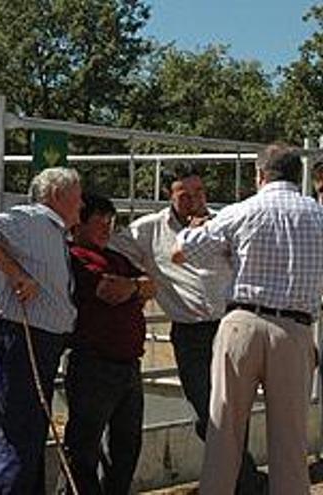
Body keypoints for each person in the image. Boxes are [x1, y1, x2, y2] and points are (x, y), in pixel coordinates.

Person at [173, 144, 323, 494]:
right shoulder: (316, 215)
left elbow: (181, 252)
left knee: (224, 429)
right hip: (295, 328)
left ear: (260, 175)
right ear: (294, 174)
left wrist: (203, 230)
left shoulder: (241, 211)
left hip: (242, 321)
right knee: (290, 438)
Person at [109, 165, 264, 493]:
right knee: (209, 413)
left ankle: (234, 483)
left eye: (199, 193)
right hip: (191, 332)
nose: (195, 200)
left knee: (234, 410)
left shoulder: (224, 222)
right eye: (185, 195)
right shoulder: (149, 230)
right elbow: (111, 249)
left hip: (231, 325)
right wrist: (135, 285)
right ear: (170, 195)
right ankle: (251, 483)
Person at [0, 167, 82, 494]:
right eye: (78, 196)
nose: (81, 204)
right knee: (16, 435)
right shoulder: (32, 219)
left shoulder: (52, 230)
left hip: (33, 340)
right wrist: (16, 274)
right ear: (58, 196)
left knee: (25, 435)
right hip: (18, 339)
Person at [63, 192, 156, 495]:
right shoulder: (75, 257)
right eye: (98, 222)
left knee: (127, 445)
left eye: (110, 222)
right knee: (84, 446)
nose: (106, 228)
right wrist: (135, 288)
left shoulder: (115, 258)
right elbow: (108, 290)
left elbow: (150, 284)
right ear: (78, 225)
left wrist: (132, 287)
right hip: (95, 362)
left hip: (126, 364)